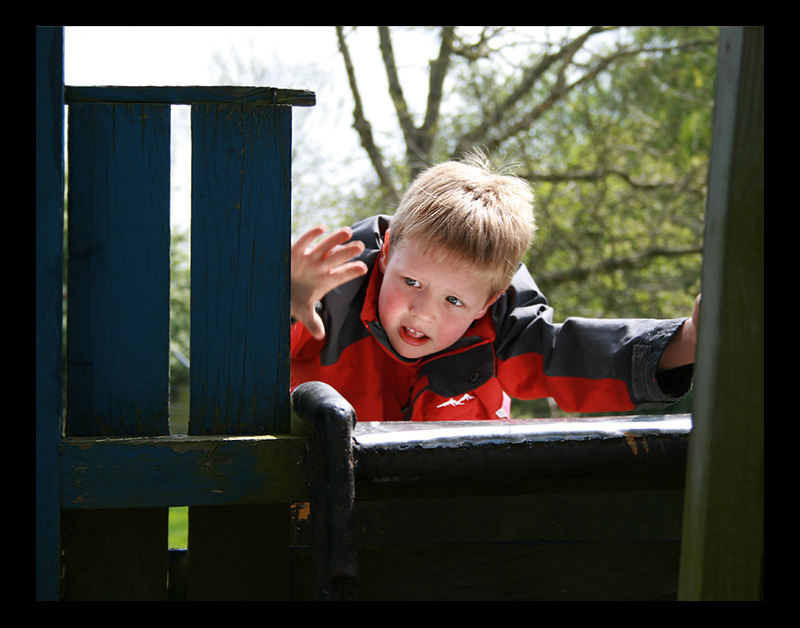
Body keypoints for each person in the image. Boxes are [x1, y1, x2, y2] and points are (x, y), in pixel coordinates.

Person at [290, 152, 699, 422]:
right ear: (387, 253)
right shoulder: (329, 299)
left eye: (454, 300)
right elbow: (240, 356)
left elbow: (576, 358)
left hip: (443, 507)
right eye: (411, 281)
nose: (424, 311)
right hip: (325, 499)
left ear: (488, 302)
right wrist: (279, 300)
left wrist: (687, 342)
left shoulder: (503, 331)